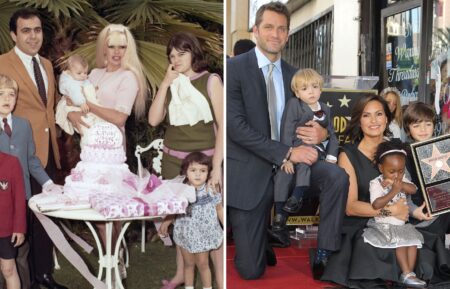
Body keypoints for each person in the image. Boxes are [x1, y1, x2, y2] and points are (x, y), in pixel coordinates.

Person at [227, 1, 349, 280]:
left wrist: (323, 133)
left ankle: (325, 251)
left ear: (288, 34)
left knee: (336, 177)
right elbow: (236, 127)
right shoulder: (234, 69)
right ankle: (262, 243)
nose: (275, 34)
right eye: (269, 27)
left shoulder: (296, 76)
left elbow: (322, 118)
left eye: (282, 29)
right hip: (251, 168)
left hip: (298, 167)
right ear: (255, 30)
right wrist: (286, 153)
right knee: (250, 271)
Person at [321, 95, 450, 288]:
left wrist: (419, 211)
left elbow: (412, 191)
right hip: (364, 222)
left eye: (379, 114)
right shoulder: (347, 155)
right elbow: (351, 207)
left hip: (401, 220)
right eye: (367, 115)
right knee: (380, 246)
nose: (374, 121)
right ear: (359, 120)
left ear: (387, 119)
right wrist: (390, 211)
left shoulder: (400, 148)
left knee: (421, 241)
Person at [62, 23, 148, 281]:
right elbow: (68, 100)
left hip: (112, 152)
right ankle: (110, 253)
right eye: (111, 46)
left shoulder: (129, 77)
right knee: (95, 205)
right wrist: (75, 113)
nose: (117, 52)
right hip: (89, 149)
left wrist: (88, 106)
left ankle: (112, 256)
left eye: (122, 46)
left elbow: (120, 117)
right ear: (103, 47)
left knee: (112, 204)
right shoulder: (93, 74)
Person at [148, 31, 224, 289]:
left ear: (194, 52)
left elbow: (223, 125)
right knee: (182, 221)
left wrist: (216, 169)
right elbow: (153, 119)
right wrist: (165, 83)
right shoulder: (171, 82)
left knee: (209, 221)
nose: (176, 59)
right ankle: (182, 274)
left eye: (182, 53)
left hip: (203, 163)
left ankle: (220, 281)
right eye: (172, 55)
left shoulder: (211, 80)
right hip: (173, 162)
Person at [0, 8, 65, 289]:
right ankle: (16, 276)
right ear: (14, 34)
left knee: (43, 217)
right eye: (26, 30)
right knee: (15, 219)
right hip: (12, 156)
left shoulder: (48, 65)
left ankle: (44, 275)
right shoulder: (2, 63)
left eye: (37, 30)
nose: (33, 36)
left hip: (45, 151)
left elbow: (47, 108)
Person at [273, 68, 339, 232]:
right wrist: (287, 157)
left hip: (315, 150)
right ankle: (280, 213)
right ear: (296, 93)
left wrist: (331, 157)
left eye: (315, 87)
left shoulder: (325, 108)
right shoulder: (294, 105)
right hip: (295, 149)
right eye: (305, 89)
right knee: (283, 173)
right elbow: (287, 130)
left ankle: (296, 197)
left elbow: (331, 134)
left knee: (305, 164)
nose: (311, 92)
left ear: (321, 88)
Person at [363, 139, 426, 288]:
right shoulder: (376, 183)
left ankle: (410, 274)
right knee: (401, 243)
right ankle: (406, 273)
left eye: (401, 171)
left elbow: (414, 189)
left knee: (412, 243)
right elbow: (376, 204)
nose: (397, 175)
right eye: (392, 172)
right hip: (385, 224)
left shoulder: (400, 179)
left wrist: (399, 184)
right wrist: (394, 191)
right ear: (381, 168)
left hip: (401, 224)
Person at [159, 152, 223, 289]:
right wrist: (166, 222)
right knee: (188, 264)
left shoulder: (210, 190)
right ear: (185, 172)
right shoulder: (181, 191)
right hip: (185, 233)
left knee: (203, 264)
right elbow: (175, 209)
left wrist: (225, 224)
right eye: (193, 170)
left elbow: (219, 209)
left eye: (203, 171)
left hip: (203, 235)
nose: (198, 174)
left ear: (208, 173)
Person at [56, 55, 102, 144]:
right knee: (86, 125)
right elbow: (75, 93)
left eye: (85, 72)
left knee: (92, 123)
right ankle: (88, 142)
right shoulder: (70, 82)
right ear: (69, 72)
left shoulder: (77, 77)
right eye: (79, 73)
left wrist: (92, 89)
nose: (83, 76)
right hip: (76, 106)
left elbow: (85, 85)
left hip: (81, 106)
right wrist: (81, 103)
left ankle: (93, 140)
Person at [0, 152, 26, 289]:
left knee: (8, 269)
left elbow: (19, 198)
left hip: (5, 229)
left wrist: (19, 227)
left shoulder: (12, 162)